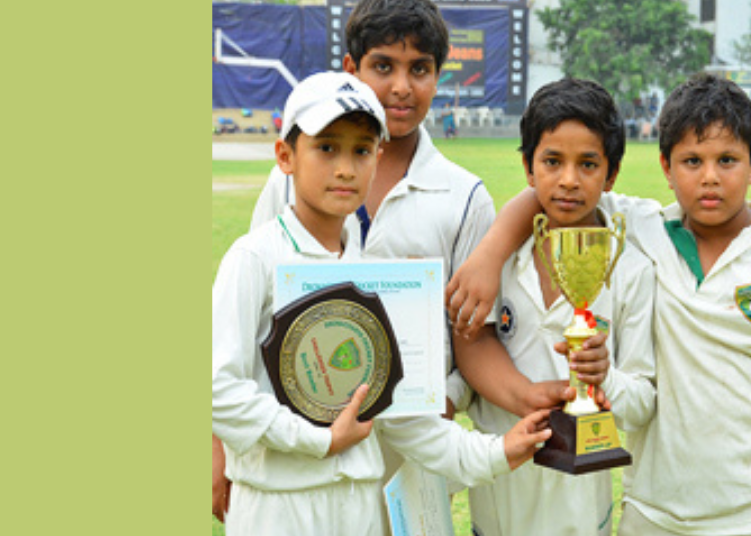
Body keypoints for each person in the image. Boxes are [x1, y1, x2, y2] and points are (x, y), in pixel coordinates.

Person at [219, 0, 594, 527]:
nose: (401, 86)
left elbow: (463, 341)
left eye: (419, 68)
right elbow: (231, 364)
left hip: (396, 447)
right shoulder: (264, 233)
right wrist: (235, 449)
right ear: (287, 157)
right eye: (326, 148)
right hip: (286, 477)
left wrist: (468, 413)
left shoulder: (461, 197)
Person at [446, 73, 751, 536]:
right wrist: (491, 251)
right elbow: (548, 191)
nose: (710, 177)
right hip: (652, 511)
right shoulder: (642, 228)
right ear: (665, 166)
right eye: (692, 161)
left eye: (727, 160)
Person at [457, 78, 656, 536]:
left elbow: (642, 404)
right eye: (552, 161)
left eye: (588, 164)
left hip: (579, 514)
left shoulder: (632, 269)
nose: (568, 179)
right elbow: (467, 353)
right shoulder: (495, 260)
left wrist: (602, 374)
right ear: (529, 168)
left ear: (611, 174)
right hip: (497, 504)